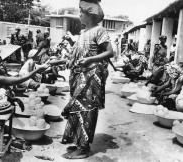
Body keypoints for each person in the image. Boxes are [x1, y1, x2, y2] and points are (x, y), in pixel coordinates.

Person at [60, 0, 114, 159]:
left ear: (90, 14)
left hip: (92, 76)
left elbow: (110, 52)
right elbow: (77, 53)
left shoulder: (100, 30)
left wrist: (91, 60)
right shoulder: (83, 32)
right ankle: (78, 142)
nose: (79, 15)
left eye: (81, 13)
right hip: (80, 75)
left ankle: (83, 148)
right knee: (78, 109)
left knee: (86, 110)